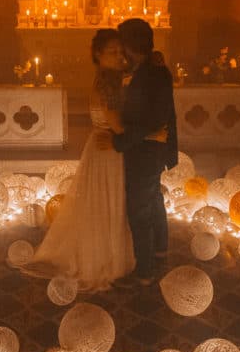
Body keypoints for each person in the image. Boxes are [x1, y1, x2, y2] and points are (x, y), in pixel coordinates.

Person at [23, 29, 160, 290]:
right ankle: (105, 258)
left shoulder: (110, 78)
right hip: (109, 150)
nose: (119, 56)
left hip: (103, 149)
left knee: (103, 204)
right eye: (112, 52)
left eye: (121, 51)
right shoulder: (108, 82)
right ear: (98, 55)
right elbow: (117, 125)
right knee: (109, 203)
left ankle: (108, 252)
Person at [108, 18, 177, 285]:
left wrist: (121, 141)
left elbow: (154, 120)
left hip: (146, 152)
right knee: (154, 199)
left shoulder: (154, 74)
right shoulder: (147, 69)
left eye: (122, 44)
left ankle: (144, 272)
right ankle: (160, 248)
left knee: (139, 209)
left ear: (130, 45)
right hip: (150, 150)